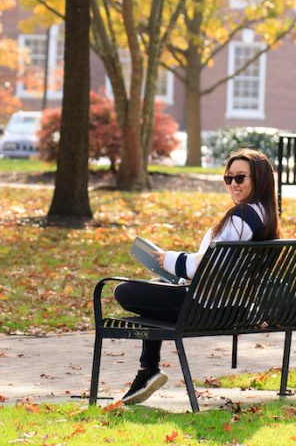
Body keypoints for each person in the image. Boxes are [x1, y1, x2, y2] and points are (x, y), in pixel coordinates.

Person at [115, 148, 281, 405]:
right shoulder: (265, 217)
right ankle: (148, 370)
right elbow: (218, 263)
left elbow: (204, 267)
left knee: (125, 291)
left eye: (240, 178)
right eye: (229, 178)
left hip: (206, 308)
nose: (233, 185)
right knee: (155, 287)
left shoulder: (242, 217)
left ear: (259, 179)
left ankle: (148, 369)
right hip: (235, 309)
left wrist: (167, 259)